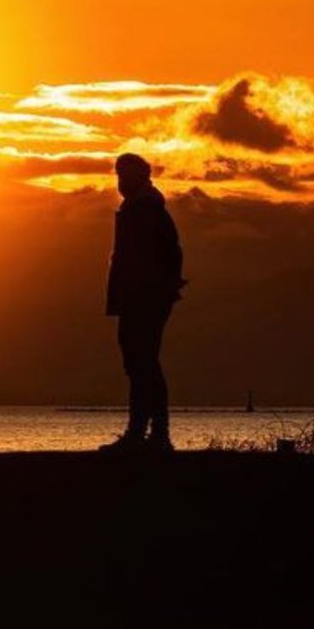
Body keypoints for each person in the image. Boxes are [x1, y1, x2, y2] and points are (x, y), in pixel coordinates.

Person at [100, 153, 186, 453]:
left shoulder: (146, 210)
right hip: (139, 297)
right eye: (118, 174)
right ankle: (147, 433)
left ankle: (150, 434)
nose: (120, 181)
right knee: (139, 363)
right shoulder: (139, 208)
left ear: (140, 177)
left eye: (124, 175)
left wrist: (158, 288)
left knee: (143, 362)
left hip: (144, 299)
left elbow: (169, 254)